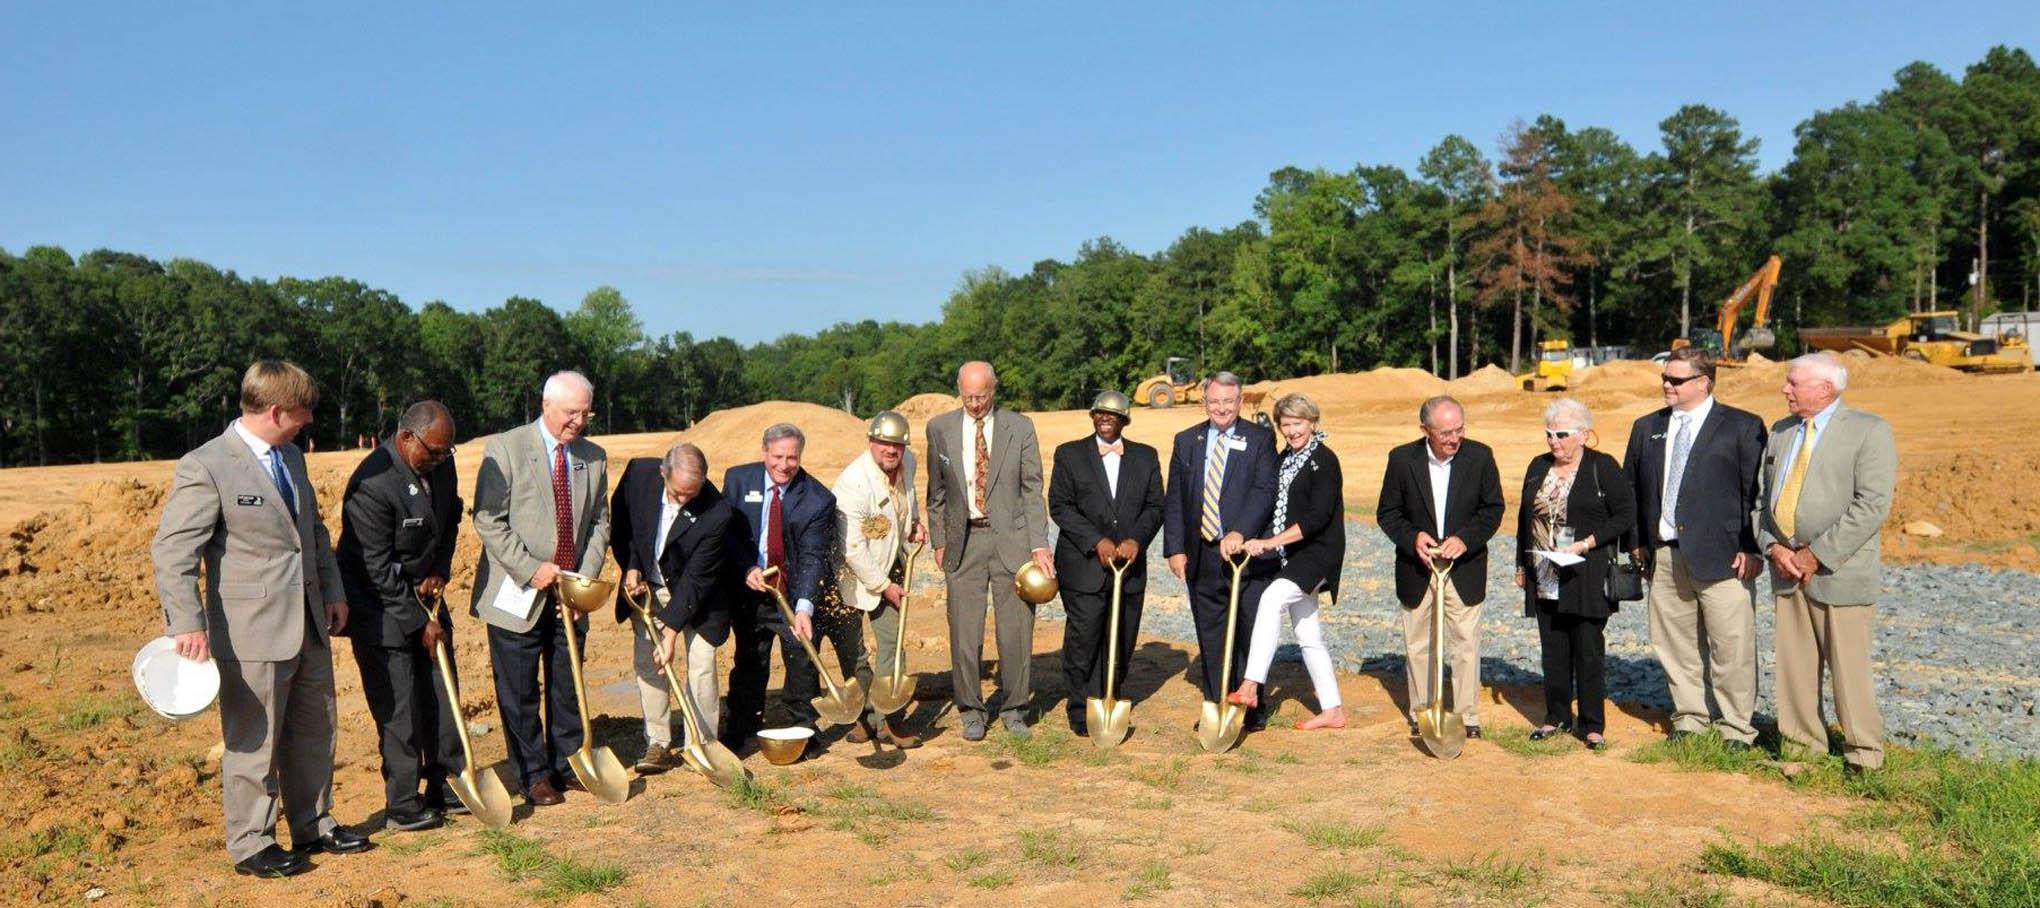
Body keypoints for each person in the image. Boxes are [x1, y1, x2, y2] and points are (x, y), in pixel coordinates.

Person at [150, 360, 366, 877]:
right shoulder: (206, 466)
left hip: (310, 620)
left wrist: (333, 592)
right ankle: (251, 841)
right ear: (274, 410)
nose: (308, 420)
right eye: (302, 412)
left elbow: (310, 533)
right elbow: (173, 551)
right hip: (251, 631)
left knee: (317, 728)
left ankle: (314, 823)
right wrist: (186, 623)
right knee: (255, 739)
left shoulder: (292, 457)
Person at [469, 371, 611, 807]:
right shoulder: (507, 448)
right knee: (519, 690)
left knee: (567, 683)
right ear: (547, 405)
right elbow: (488, 519)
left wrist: (578, 580)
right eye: (571, 412)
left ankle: (568, 763)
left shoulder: (594, 456)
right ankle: (532, 774)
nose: (579, 421)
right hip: (517, 589)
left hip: (568, 594)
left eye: (585, 413)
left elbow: (599, 523)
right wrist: (531, 569)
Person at [1623, 347, 1767, 748]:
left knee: (1730, 645)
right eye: (1664, 378)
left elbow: (1754, 493)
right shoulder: (1646, 427)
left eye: (1676, 379)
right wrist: (1636, 543)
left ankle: (1736, 727)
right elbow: (1632, 488)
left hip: (1726, 556)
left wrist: (1752, 547)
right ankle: (1690, 718)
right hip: (1666, 555)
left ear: (1703, 382)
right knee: (1675, 643)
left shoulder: (1742, 426)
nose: (1666, 385)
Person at [1760, 353, 1896, 775]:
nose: (1785, 389)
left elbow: (1871, 505)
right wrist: (1773, 546)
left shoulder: (1868, 431)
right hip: (1786, 569)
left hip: (1839, 571)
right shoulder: (1781, 431)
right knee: (1794, 669)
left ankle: (1863, 755)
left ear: (1824, 388)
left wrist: (1815, 554)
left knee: (1848, 670)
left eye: (1793, 383)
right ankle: (1803, 749)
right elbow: (1762, 501)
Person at [337, 401, 464, 832]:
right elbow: (373, 567)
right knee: (400, 706)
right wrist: (417, 622)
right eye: (433, 452)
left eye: (447, 453)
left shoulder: (440, 464)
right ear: (406, 438)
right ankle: (403, 803)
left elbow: (450, 520)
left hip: (426, 592)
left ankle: (444, 782)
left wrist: (439, 570)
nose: (440, 460)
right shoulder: (371, 484)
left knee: (442, 693)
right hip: (379, 605)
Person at [925, 361, 1053, 740]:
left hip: (1011, 543)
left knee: (1015, 630)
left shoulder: (1020, 427)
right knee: (965, 632)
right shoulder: (939, 428)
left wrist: (1040, 543)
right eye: (968, 397)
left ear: (994, 391)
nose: (975, 404)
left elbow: (1032, 488)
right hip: (963, 542)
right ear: (959, 391)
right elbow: (937, 492)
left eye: (981, 396)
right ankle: (971, 710)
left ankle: (1014, 708)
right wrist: (939, 538)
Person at [1375, 395, 1505, 739]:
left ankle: (1466, 716)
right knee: (1418, 644)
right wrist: (1412, 537)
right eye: (1446, 432)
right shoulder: (1402, 459)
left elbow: (1492, 509)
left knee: (1466, 643)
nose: (1454, 438)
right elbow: (1388, 513)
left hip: (1465, 570)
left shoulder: (1480, 456)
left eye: (1459, 429)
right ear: (1425, 430)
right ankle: (1423, 713)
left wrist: (1465, 539)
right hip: (1418, 571)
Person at [1515, 398, 1634, 749]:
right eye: (1549, 434)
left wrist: (1587, 543)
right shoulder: (1538, 466)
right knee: (1553, 648)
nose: (1554, 442)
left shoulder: (1603, 466)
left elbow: (1625, 515)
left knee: (1587, 649)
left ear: (1584, 434)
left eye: (1562, 434)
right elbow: (1527, 519)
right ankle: (1556, 717)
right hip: (1545, 570)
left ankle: (1592, 723)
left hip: (1586, 571)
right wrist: (1521, 564)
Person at [1162, 372, 1279, 731]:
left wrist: (1240, 531)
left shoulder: (1259, 439)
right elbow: (1176, 498)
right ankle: (1216, 700)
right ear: (1204, 403)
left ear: (1240, 403)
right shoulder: (1187, 441)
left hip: (1245, 554)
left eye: (1229, 402)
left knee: (1247, 627)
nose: (1222, 408)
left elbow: (1264, 490)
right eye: (1215, 402)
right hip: (1202, 554)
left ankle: (1249, 704)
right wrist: (1175, 548)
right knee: (1210, 630)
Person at [608, 441, 733, 774]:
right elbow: (623, 524)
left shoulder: (717, 511)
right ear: (664, 473)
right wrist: (632, 565)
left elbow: (697, 579)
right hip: (651, 588)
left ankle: (701, 744)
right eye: (678, 493)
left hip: (702, 597)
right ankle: (658, 742)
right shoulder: (638, 475)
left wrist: (671, 632)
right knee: (649, 664)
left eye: (692, 494)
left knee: (701, 664)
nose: (685, 501)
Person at [1046, 390, 1164, 737]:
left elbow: (1156, 506)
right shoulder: (1070, 455)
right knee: (1084, 636)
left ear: (1125, 420)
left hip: (1128, 568)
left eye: (1112, 415)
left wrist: (1135, 540)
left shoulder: (1145, 457)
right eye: (1099, 414)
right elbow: (1061, 505)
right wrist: (1095, 541)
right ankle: (1081, 706)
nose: (1105, 419)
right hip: (1083, 566)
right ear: (1092, 417)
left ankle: (1110, 694)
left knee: (1121, 635)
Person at [723, 423, 842, 755]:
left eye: (792, 457)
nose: (784, 465)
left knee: (801, 654)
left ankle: (803, 727)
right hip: (749, 589)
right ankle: (740, 727)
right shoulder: (737, 480)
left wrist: (804, 607)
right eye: (777, 456)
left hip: (790, 592)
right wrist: (745, 566)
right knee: (749, 657)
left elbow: (812, 555)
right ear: (764, 453)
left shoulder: (817, 499)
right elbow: (727, 534)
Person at [1230, 393, 1346, 730]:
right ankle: (1333, 710)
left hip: (1318, 552)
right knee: (1308, 634)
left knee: (1270, 599)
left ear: (1312, 422)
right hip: (1292, 555)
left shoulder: (1324, 460)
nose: (1292, 431)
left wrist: (1269, 543)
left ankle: (1250, 685)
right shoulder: (1285, 458)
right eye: (1286, 425)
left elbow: (1316, 518)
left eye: (1298, 423)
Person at [832, 411, 927, 747]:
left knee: (892, 644)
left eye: (897, 444)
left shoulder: (909, 461)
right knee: (854, 654)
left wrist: (913, 523)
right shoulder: (852, 483)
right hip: (853, 575)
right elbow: (853, 549)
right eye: (884, 443)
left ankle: (887, 720)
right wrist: (884, 586)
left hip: (891, 564)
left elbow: (908, 499)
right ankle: (866, 716)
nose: (891, 450)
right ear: (871, 442)